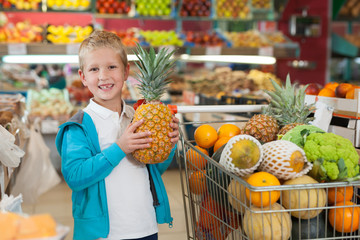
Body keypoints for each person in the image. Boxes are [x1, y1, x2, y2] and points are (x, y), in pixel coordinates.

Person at [55, 30, 180, 240]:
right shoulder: (79, 125)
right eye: (94, 69)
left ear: (125, 72)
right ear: (83, 77)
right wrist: (120, 148)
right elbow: (75, 177)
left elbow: (155, 168)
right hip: (103, 235)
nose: (103, 76)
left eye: (112, 67)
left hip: (145, 227)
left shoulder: (138, 116)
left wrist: (168, 144)